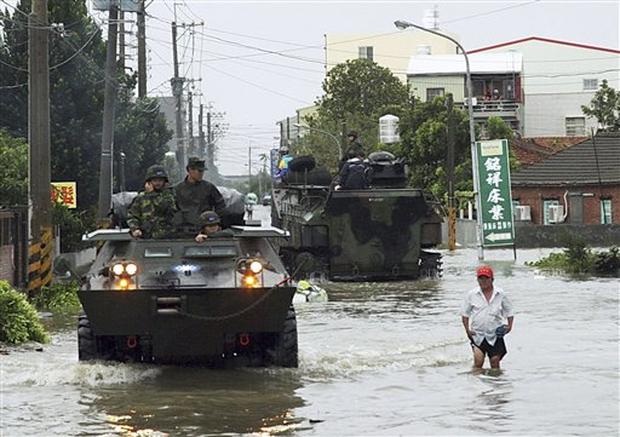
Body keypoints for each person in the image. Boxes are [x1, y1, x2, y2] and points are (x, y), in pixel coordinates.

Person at [461, 265, 514, 369]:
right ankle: (476, 383)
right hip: (477, 334)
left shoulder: (500, 294)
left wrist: (509, 326)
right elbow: (465, 314)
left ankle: (495, 383)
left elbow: (509, 311)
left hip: (495, 334)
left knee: (494, 362)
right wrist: (467, 330)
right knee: (478, 361)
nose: (483, 281)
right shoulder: (472, 294)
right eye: (480, 279)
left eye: (486, 278)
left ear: (492, 279)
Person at [127, 165, 177, 239]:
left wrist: (152, 195)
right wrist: (135, 228)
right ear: (149, 182)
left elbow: (167, 209)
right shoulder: (141, 197)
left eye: (160, 180)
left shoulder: (169, 195)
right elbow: (132, 215)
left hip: (166, 237)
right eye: (155, 181)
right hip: (146, 237)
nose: (157, 183)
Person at [175, 157, 226, 229]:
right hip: (184, 229)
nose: (201, 173)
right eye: (199, 171)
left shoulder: (209, 188)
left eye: (202, 171)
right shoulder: (178, 189)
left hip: (206, 227)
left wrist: (216, 222)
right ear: (189, 170)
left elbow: (220, 205)